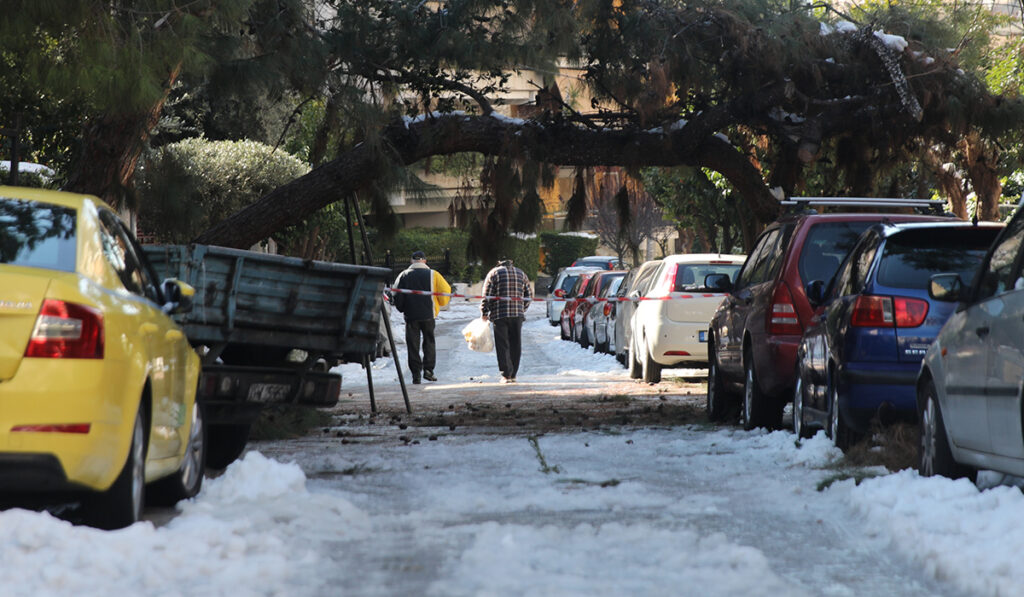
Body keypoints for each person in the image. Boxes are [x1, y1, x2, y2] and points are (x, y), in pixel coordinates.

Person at [392, 250, 451, 384]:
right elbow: (445, 291)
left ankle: (416, 374)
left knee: (413, 345)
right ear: (424, 261)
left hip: (411, 316)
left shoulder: (403, 275)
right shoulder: (434, 274)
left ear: (411, 261)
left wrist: (401, 308)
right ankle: (429, 371)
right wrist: (440, 304)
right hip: (428, 315)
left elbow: (396, 294)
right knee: (429, 342)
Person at [480, 258, 532, 383]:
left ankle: (506, 374)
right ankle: (514, 374)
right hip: (517, 315)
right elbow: (528, 295)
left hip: (500, 314)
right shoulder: (521, 273)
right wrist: (522, 309)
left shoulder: (494, 273)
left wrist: (484, 311)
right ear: (511, 263)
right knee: (515, 343)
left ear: (498, 263)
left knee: (502, 344)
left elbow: (487, 295)